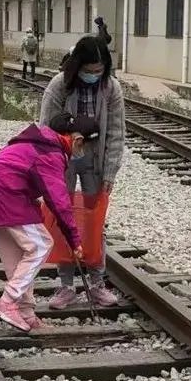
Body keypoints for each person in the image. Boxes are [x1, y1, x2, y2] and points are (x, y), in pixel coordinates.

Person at [0, 113, 99, 331]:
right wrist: (74, 239)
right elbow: (59, 201)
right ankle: (7, 301)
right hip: (8, 195)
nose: (84, 152)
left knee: (18, 259)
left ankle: (25, 312)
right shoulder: (51, 153)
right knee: (41, 245)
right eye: (86, 147)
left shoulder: (41, 142)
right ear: (78, 140)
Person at [39, 35, 125, 307]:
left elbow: (116, 133)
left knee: (94, 220)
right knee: (62, 217)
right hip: (63, 156)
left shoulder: (111, 89)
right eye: (88, 71)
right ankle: (65, 285)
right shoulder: (59, 86)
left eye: (99, 70)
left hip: (94, 157)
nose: (94, 75)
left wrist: (110, 171)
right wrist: (48, 172)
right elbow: (44, 129)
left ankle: (97, 283)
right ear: (78, 67)